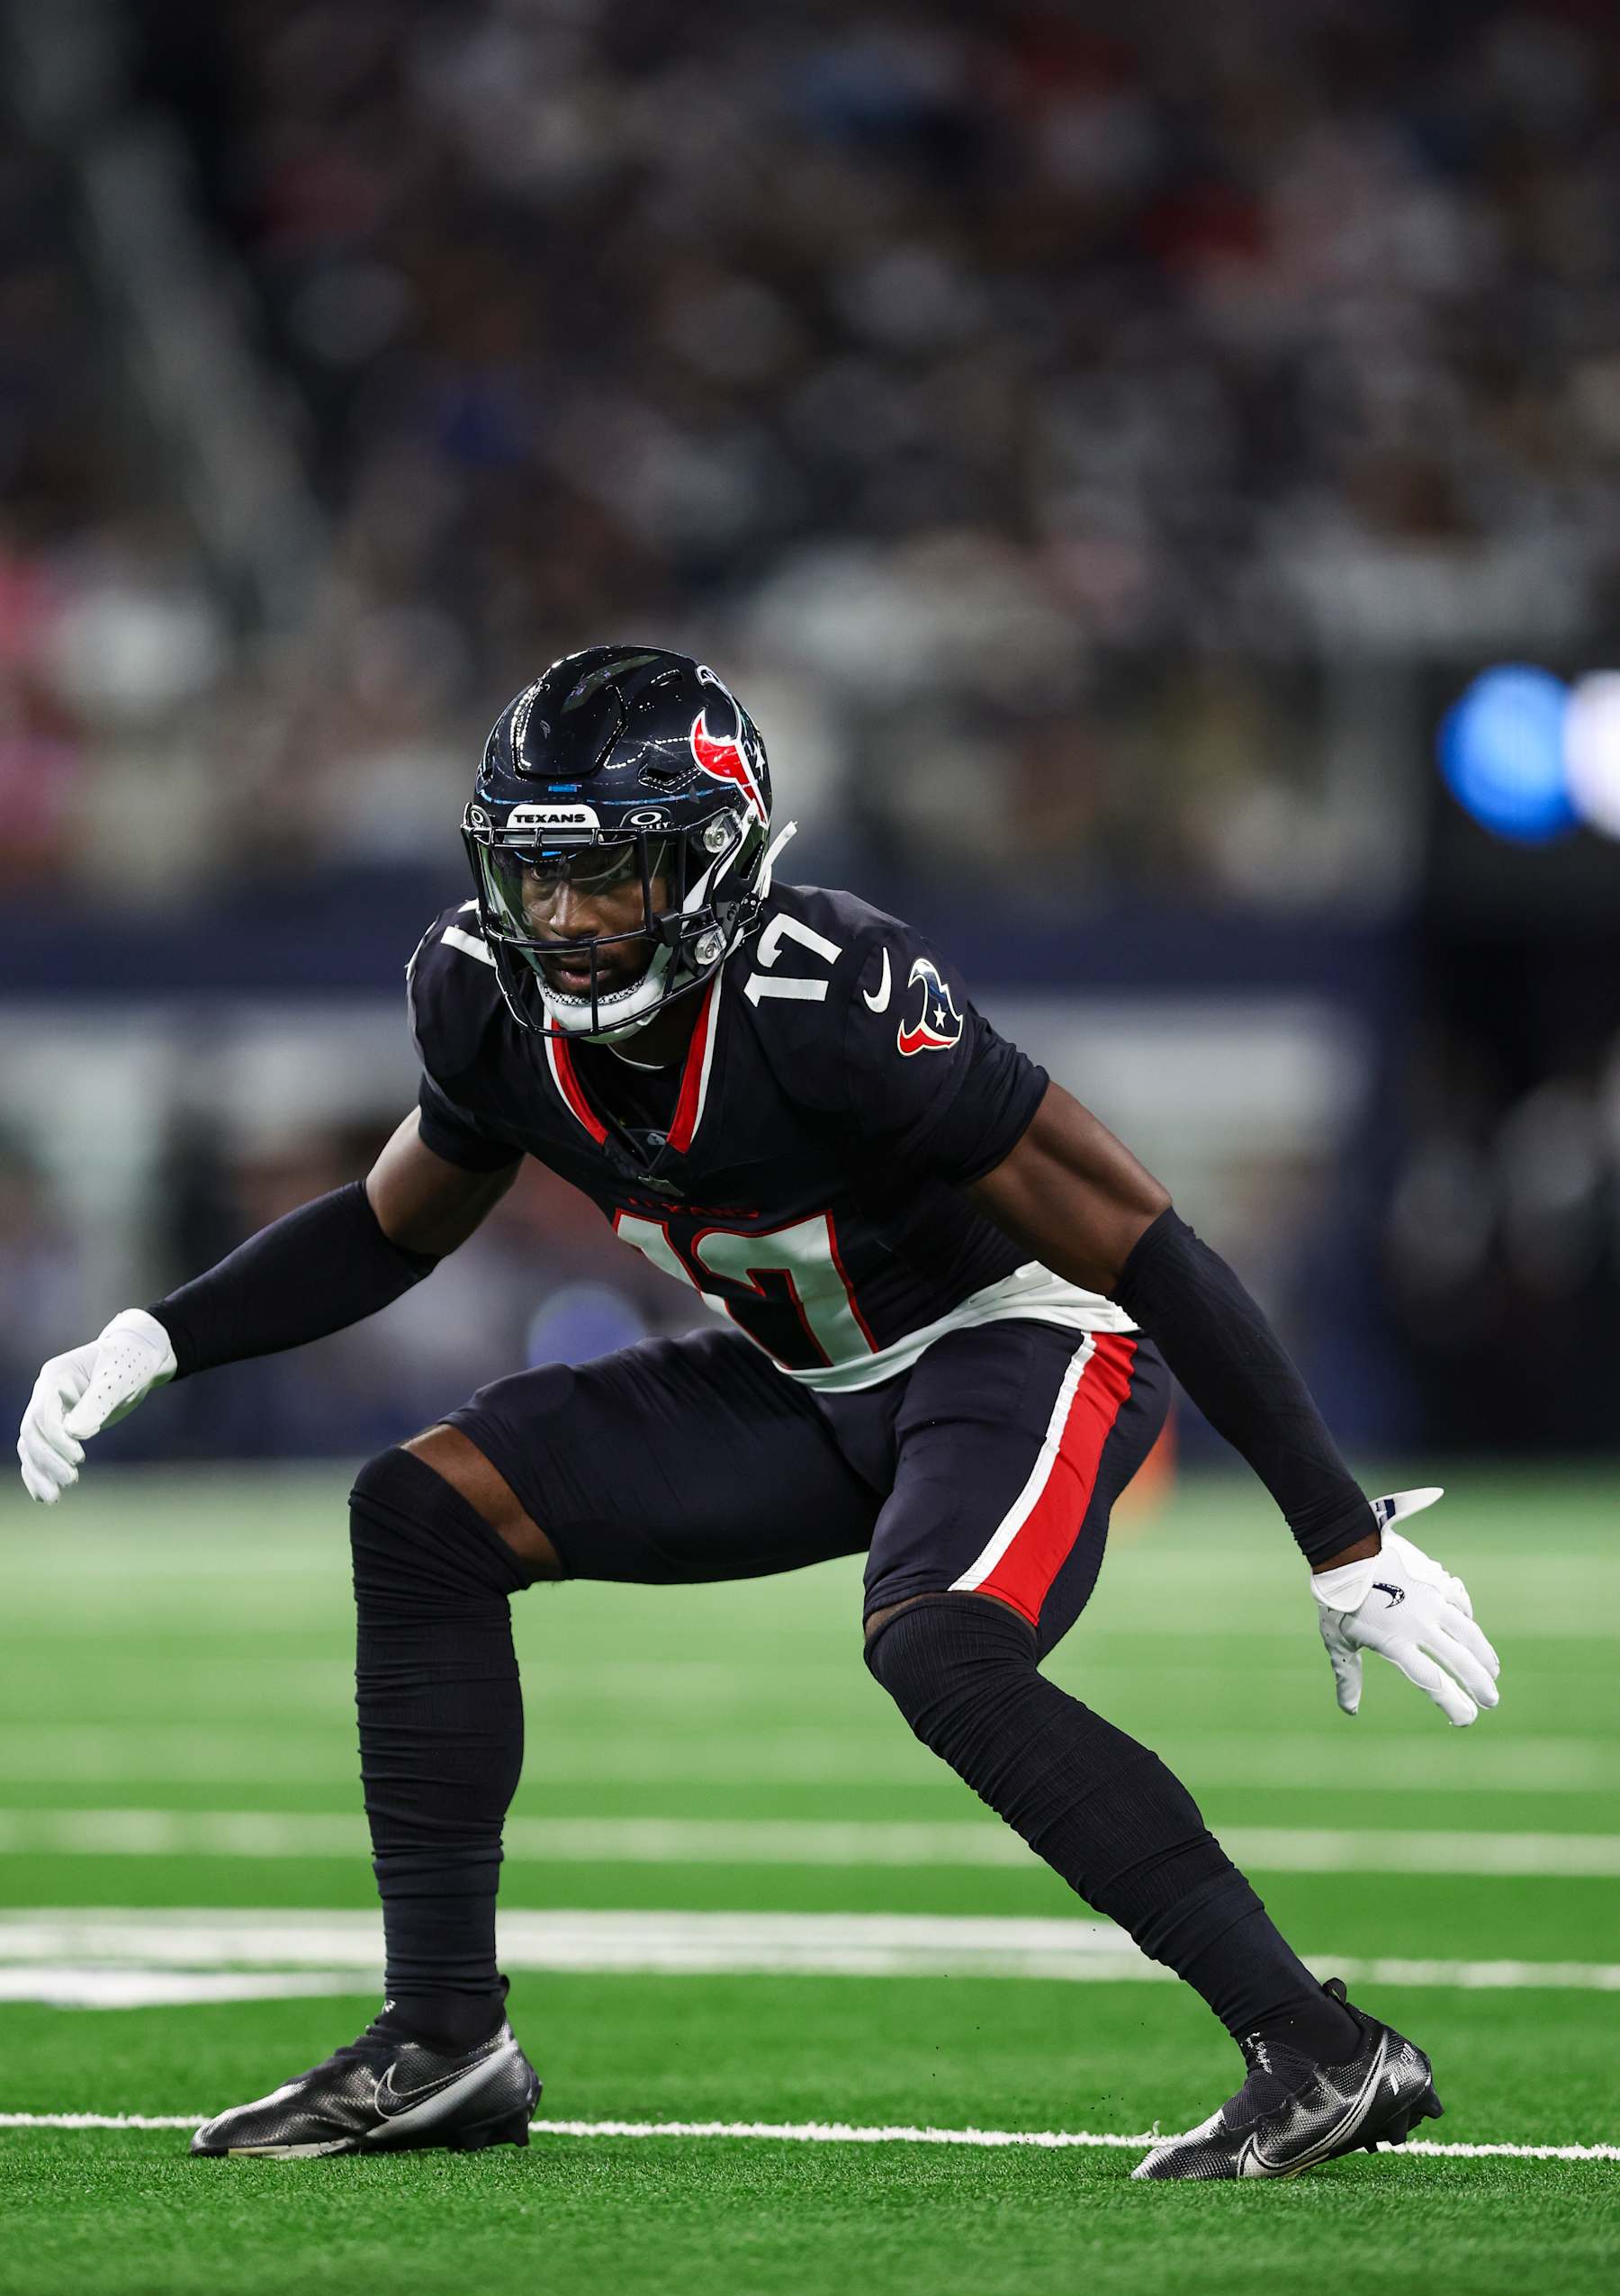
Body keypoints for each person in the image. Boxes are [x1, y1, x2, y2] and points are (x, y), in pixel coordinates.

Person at [17, 647, 1499, 2177]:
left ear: (715, 861)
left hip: (1020, 1342)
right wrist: (155, 1335)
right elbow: (396, 1224)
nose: (571, 923)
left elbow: (1138, 1240)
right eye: (541, 880)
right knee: (423, 1512)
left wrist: (1339, 1535)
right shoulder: (480, 993)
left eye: (611, 877)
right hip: (805, 1379)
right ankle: (443, 2042)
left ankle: (1321, 2050)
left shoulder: (828, 991)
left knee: (939, 1643)